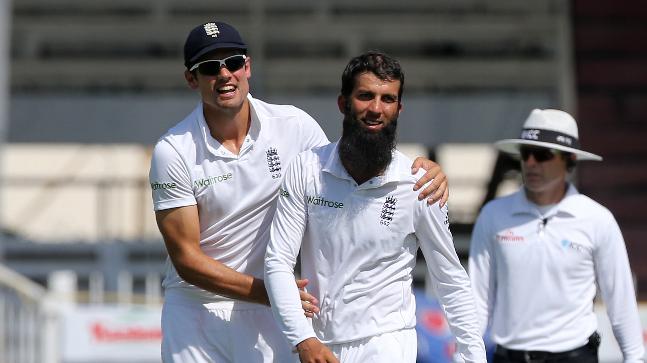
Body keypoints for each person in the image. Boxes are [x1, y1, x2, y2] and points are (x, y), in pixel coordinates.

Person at [149, 21, 449, 363]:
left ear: (247, 66)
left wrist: (417, 169)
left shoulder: (294, 125)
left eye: (232, 62)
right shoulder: (172, 150)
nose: (224, 74)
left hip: (273, 309)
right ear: (192, 78)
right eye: (209, 67)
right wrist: (274, 293)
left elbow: (344, 177)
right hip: (197, 311)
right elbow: (186, 260)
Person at [264, 51, 486, 363]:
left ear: (399, 108)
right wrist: (303, 338)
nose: (376, 109)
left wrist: (472, 357)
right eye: (365, 96)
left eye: (387, 99)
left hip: (388, 344)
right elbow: (277, 261)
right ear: (343, 104)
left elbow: (449, 277)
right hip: (318, 343)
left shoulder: (419, 185)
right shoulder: (306, 169)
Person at [468, 109, 645, 363]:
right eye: (526, 153)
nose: (530, 163)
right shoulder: (493, 215)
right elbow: (478, 298)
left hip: (574, 357)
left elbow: (620, 302)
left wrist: (635, 359)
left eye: (542, 155)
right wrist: (468, 357)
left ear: (569, 159)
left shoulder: (597, 219)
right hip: (509, 357)